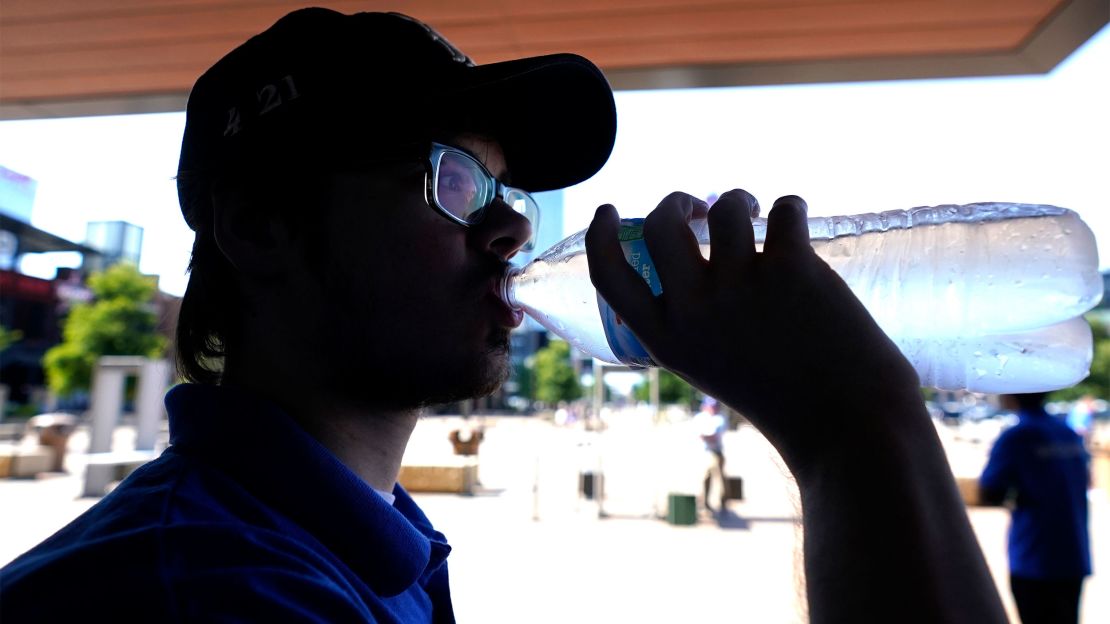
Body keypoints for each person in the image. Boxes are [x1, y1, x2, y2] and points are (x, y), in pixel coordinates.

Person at [0, 8, 1007, 623]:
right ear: (262, 228)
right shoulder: (204, 592)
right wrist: (852, 425)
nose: (510, 235)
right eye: (451, 180)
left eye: (505, 194)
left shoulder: (355, 540)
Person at [979, 393, 1091, 624]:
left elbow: (990, 490)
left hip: (1033, 556)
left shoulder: (1016, 436)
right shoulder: (1067, 432)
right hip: (1072, 553)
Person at [693, 396, 728, 512]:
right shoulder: (700, 418)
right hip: (704, 452)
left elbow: (714, 437)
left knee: (720, 478)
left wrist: (706, 436)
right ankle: (705, 502)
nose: (712, 408)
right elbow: (699, 434)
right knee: (706, 477)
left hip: (716, 451)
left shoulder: (719, 418)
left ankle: (723, 502)